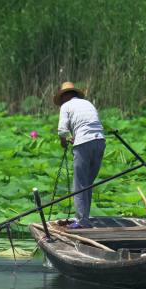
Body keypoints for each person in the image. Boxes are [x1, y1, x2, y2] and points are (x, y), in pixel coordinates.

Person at [54, 82, 106, 229]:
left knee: (80, 185)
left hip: (83, 143)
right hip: (100, 141)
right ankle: (85, 218)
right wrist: (73, 136)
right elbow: (88, 124)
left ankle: (81, 221)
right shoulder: (87, 103)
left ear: (64, 96)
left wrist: (64, 142)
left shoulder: (66, 106)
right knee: (88, 183)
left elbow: (62, 130)